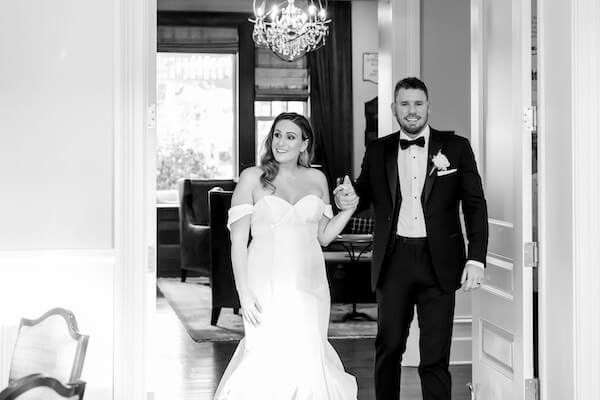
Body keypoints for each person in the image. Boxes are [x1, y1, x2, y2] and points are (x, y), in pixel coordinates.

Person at [335, 77, 488, 400]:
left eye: (418, 103)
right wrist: (345, 197)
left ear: (428, 106)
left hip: (441, 263)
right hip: (394, 261)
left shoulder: (456, 148)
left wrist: (476, 258)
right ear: (394, 109)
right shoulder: (379, 150)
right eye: (404, 104)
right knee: (388, 349)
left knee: (435, 356)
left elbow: (475, 205)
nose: (412, 111)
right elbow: (362, 196)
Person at [214, 112, 359, 400]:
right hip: (265, 279)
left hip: (310, 280)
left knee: (308, 352)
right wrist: (242, 291)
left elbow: (325, 236)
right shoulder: (252, 177)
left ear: (304, 144)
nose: (281, 142)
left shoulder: (317, 177)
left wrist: (348, 210)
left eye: (290, 137)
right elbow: (238, 240)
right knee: (267, 353)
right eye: (277, 134)